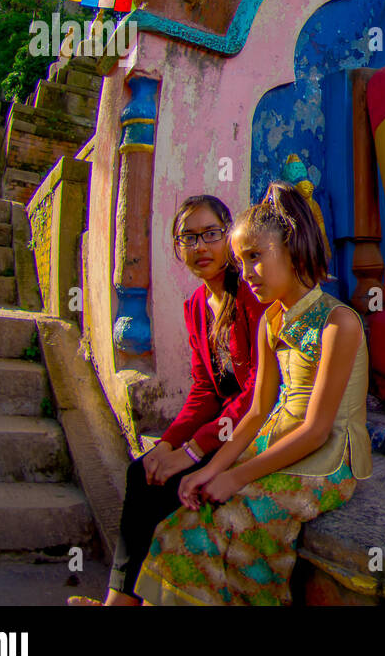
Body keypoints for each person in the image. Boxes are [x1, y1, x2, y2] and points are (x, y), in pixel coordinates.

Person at [132, 181, 372, 606]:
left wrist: (235, 476)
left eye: (256, 258)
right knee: (183, 520)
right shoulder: (270, 322)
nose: (246, 274)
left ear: (294, 250)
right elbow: (258, 410)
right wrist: (209, 470)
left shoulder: (339, 323)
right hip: (278, 436)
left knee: (237, 519)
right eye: (241, 262)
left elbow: (317, 430)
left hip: (328, 457)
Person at [69, 195, 268, 606]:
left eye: (211, 234)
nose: (200, 248)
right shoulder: (195, 305)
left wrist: (193, 451)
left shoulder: (251, 296)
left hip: (254, 429)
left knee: (170, 482)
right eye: (188, 238)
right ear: (178, 248)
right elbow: (204, 390)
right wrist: (167, 444)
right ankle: (120, 598)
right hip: (220, 428)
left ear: (229, 236)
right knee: (143, 472)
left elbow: (255, 392)